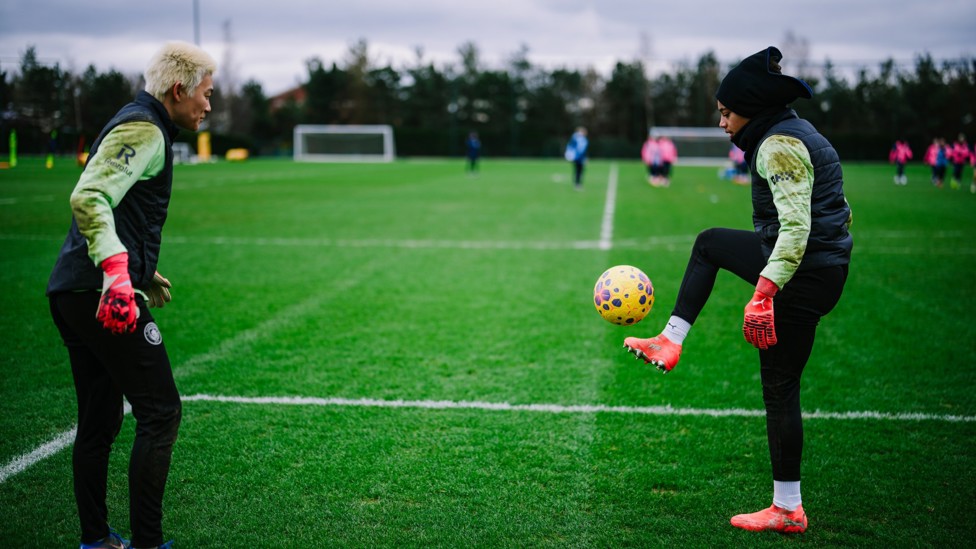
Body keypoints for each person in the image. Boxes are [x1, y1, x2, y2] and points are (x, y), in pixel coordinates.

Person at [622, 46, 852, 534]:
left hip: (802, 269)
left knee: (778, 385)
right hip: (821, 268)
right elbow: (836, 211)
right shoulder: (796, 132)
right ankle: (671, 339)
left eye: (727, 113)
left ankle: (788, 510)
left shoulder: (777, 144)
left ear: (751, 107)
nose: (723, 123)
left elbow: (795, 229)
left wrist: (765, 291)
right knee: (712, 247)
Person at [47, 41, 216, 549]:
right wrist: (120, 275)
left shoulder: (142, 122)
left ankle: (97, 540)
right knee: (160, 412)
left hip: (74, 289)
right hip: (101, 293)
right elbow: (90, 195)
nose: (209, 105)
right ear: (180, 88)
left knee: (98, 422)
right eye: (206, 94)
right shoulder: (144, 128)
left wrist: (141, 270)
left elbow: (119, 210)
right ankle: (148, 543)